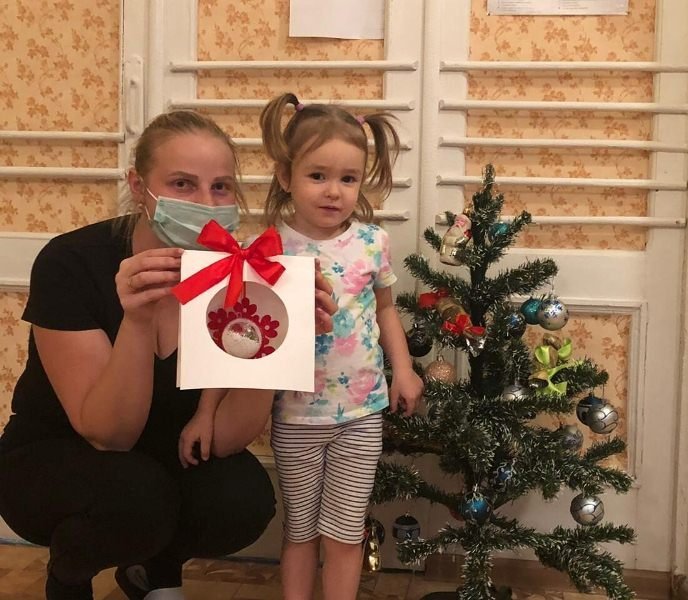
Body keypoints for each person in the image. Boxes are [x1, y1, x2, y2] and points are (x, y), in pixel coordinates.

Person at [0, 110, 337, 600]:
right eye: (183, 184)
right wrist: (137, 321)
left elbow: (226, 439)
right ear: (139, 187)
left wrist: (280, 340)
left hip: (163, 456)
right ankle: (69, 573)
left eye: (220, 187)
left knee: (242, 498)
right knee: (137, 495)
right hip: (56, 455)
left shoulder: (238, 272)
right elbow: (108, 434)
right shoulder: (71, 262)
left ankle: (152, 569)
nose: (206, 203)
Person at [257, 93, 424, 600]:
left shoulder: (372, 242)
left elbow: (386, 310)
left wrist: (404, 369)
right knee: (300, 531)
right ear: (285, 175)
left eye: (348, 179)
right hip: (295, 414)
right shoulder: (268, 248)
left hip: (361, 414)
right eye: (318, 175)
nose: (334, 191)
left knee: (346, 533)